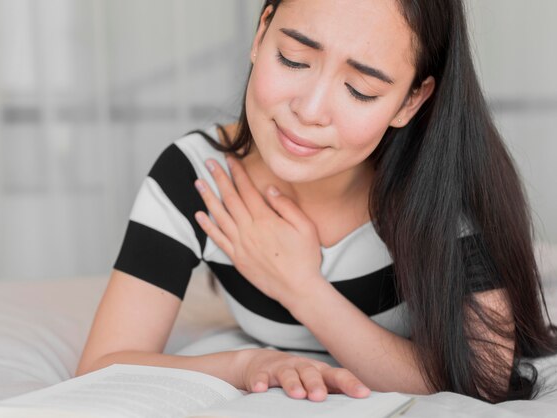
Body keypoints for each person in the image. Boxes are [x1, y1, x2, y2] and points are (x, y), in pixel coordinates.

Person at [76, 0, 557, 403]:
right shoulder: (196, 177)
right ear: (262, 32)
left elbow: (484, 378)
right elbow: (103, 365)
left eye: (360, 89)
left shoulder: (438, 186)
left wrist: (300, 287)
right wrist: (248, 365)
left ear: (411, 100)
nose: (308, 111)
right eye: (293, 59)